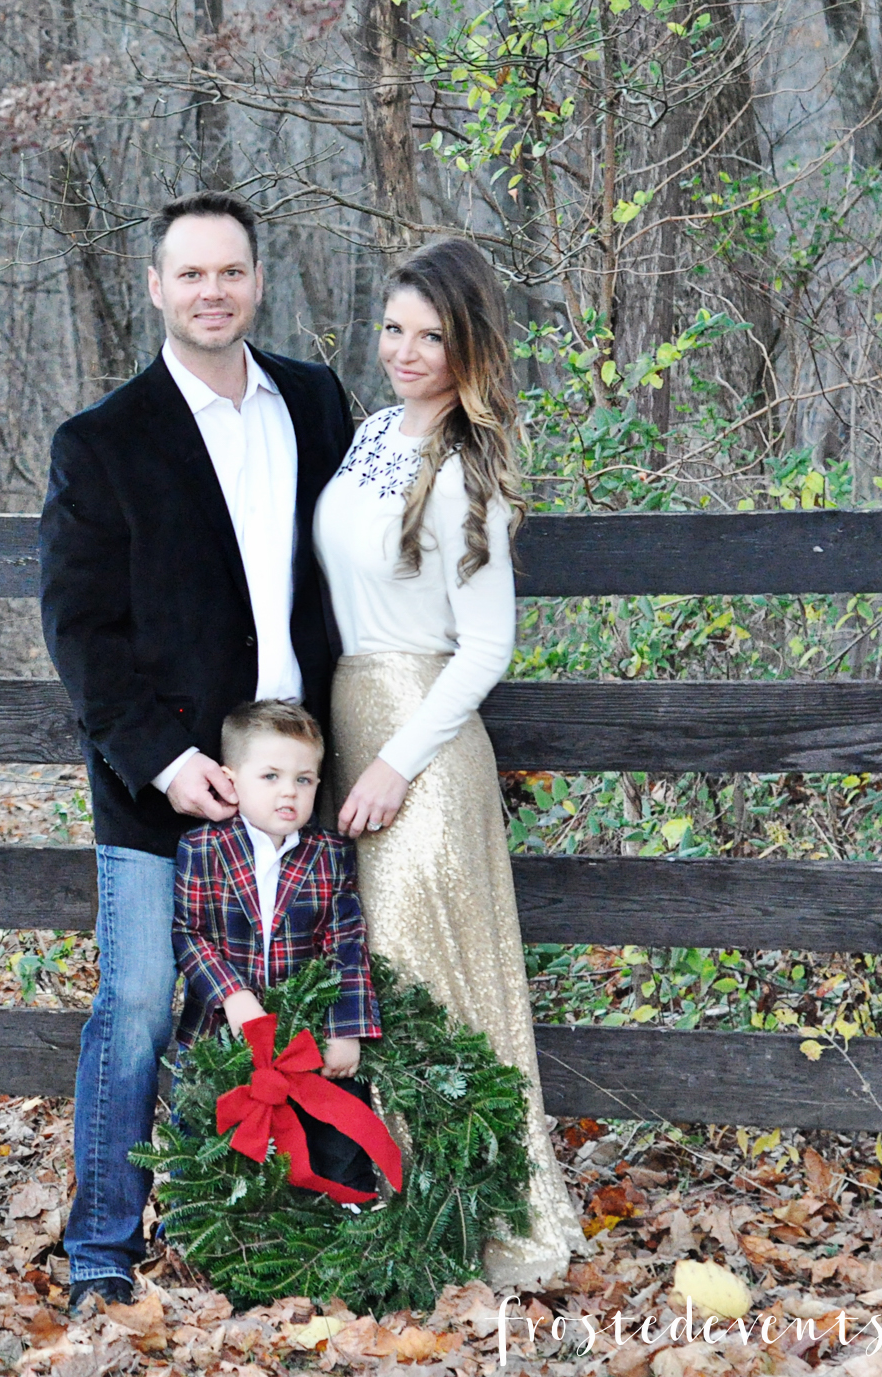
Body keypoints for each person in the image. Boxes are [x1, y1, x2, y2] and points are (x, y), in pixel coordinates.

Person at [39, 191, 355, 1314]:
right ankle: (101, 1253)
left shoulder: (315, 403)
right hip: (163, 785)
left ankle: (254, 1232)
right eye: (191, 274)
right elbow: (81, 632)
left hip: (293, 783)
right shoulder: (102, 443)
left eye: (230, 272)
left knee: (286, 1007)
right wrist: (166, 760)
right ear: (156, 288)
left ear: (257, 281)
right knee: (136, 1005)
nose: (212, 292)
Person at [312, 237, 588, 1289]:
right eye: (393, 329)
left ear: (469, 346)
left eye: (431, 336)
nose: (405, 352)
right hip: (348, 719)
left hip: (420, 747)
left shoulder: (470, 468)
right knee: (368, 977)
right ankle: (401, 1218)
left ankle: (474, 1226)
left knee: (414, 974)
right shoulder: (370, 434)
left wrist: (394, 765)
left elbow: (486, 646)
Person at [172, 699, 382, 1194]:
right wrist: (233, 995)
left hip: (305, 1040)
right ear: (231, 780)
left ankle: (342, 1209)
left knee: (331, 1147)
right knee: (207, 1150)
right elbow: (189, 932)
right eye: (270, 776)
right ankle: (194, 1217)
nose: (289, 790)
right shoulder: (202, 848)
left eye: (303, 780)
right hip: (218, 1037)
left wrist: (345, 1029)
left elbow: (346, 944)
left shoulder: (329, 855)